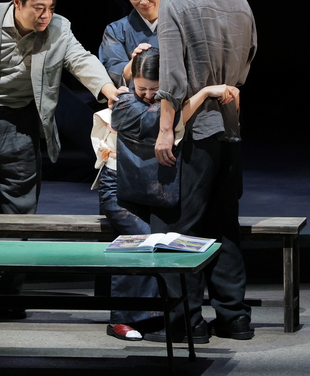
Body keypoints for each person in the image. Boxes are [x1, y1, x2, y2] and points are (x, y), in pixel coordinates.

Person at [0, 0, 118, 319]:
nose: (45, 15)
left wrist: (109, 89)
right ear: (17, 2)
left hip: (22, 126)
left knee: (19, 214)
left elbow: (81, 59)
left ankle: (7, 294)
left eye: (51, 8)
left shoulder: (59, 28)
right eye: (38, 8)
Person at [149, 0, 257, 344]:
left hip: (194, 130)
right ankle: (234, 317)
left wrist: (165, 130)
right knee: (225, 223)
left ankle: (186, 321)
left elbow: (172, 78)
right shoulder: (241, 1)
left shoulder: (175, 0)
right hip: (230, 128)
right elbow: (247, 62)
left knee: (181, 226)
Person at [92, 47, 239, 341]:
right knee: (146, 240)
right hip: (118, 191)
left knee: (163, 239)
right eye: (142, 89)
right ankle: (123, 318)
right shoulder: (123, 102)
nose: (148, 95)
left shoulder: (168, 100)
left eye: (155, 89)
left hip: (145, 190)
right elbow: (158, 123)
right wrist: (205, 92)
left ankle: (156, 315)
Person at [99, 0, 169, 87]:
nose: (144, 1)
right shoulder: (116, 30)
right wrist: (134, 63)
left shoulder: (179, 24)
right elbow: (113, 73)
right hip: (133, 98)